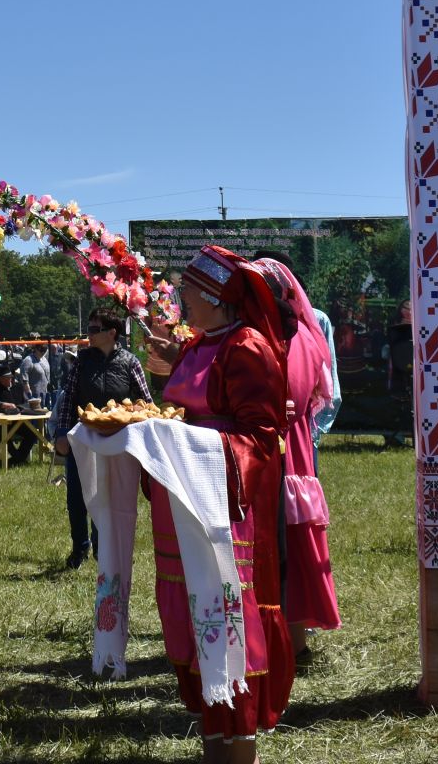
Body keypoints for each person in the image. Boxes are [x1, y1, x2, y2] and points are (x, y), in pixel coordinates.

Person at [145, 247, 295, 764]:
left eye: (186, 290)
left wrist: (188, 441)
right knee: (191, 614)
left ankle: (239, 748)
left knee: (227, 616)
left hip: (222, 510)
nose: (180, 298)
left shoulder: (245, 345)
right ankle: (214, 740)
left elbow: (260, 434)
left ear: (211, 296)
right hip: (180, 503)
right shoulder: (196, 346)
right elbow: (178, 413)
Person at [253, 258, 342, 656]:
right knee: (288, 537)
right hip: (292, 449)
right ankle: (290, 636)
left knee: (282, 538)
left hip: (282, 450)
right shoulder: (300, 337)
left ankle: (287, 638)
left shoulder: (287, 342)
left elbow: (284, 399)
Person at [52, 311, 152, 569]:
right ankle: (79, 547)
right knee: (77, 494)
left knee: (107, 495)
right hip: (83, 438)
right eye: (89, 328)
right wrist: (62, 433)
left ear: (112, 333)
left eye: (95, 329)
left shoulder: (130, 363)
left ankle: (102, 547)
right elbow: (68, 399)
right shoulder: (82, 362)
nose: (90, 334)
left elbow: (146, 403)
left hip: (118, 441)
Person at [0, 363, 37, 464]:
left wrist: (21, 407)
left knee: (32, 434)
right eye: (5, 378)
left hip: (16, 422)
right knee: (4, 434)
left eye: (10, 377)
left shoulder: (18, 387)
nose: (8, 380)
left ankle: (18, 459)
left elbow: (24, 403)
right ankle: (17, 458)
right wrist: (5, 405)